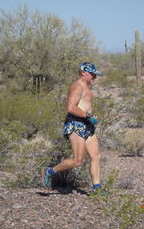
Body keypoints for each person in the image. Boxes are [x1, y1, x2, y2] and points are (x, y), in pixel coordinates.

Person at [41, 62, 104, 192]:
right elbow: (70, 108)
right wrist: (87, 116)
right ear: (83, 72)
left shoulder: (87, 87)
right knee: (78, 161)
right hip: (76, 124)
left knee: (96, 155)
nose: (94, 77)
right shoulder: (77, 86)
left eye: (95, 75)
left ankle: (97, 188)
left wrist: (90, 117)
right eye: (92, 74)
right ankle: (49, 171)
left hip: (87, 125)